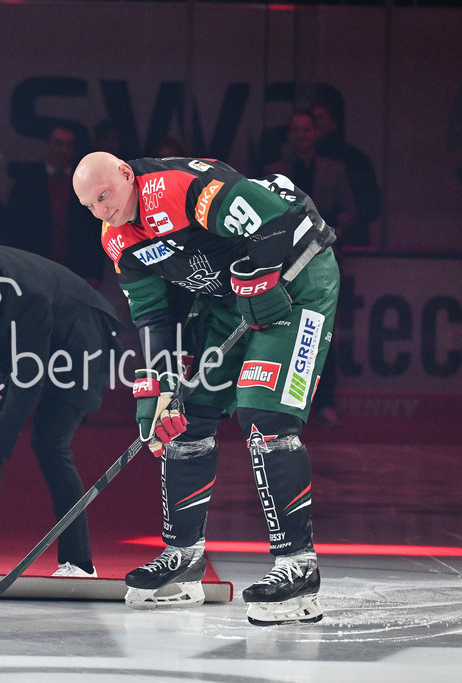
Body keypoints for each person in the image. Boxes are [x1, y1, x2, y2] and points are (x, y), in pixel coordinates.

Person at [73, 152, 338, 626]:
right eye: (89, 206)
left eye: (104, 196)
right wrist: (160, 383)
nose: (101, 211)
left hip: (297, 280)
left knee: (266, 418)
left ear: (126, 175)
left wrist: (262, 278)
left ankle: (298, 566)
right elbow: (152, 314)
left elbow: (275, 219)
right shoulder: (115, 237)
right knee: (184, 414)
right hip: (231, 295)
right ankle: (184, 557)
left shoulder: (178, 187)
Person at [0, 239, 122, 578]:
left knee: (49, 442)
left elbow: (28, 384)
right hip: (23, 334)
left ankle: (79, 563)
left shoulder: (26, 293)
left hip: (80, 339)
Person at [265, 109, 357, 428]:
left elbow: (350, 211)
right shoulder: (273, 173)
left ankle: (325, 404)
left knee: (321, 330)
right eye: (296, 130)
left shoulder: (335, 170)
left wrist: (330, 228)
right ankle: (276, 403)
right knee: (278, 328)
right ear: (289, 134)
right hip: (281, 262)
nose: (302, 135)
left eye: (307, 130)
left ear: (315, 133)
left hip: (322, 261)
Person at [0, 124, 104, 287]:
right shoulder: (27, 180)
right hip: (33, 268)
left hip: (77, 270)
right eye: (59, 144)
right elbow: (12, 226)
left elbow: (95, 230)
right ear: (47, 145)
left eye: (69, 145)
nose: (64, 150)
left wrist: (95, 273)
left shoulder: (86, 181)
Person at [310, 94, 381, 249]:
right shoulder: (299, 162)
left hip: (349, 242)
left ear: (333, 123)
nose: (315, 124)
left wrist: (343, 222)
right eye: (312, 119)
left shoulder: (353, 160)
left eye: (320, 118)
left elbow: (370, 205)